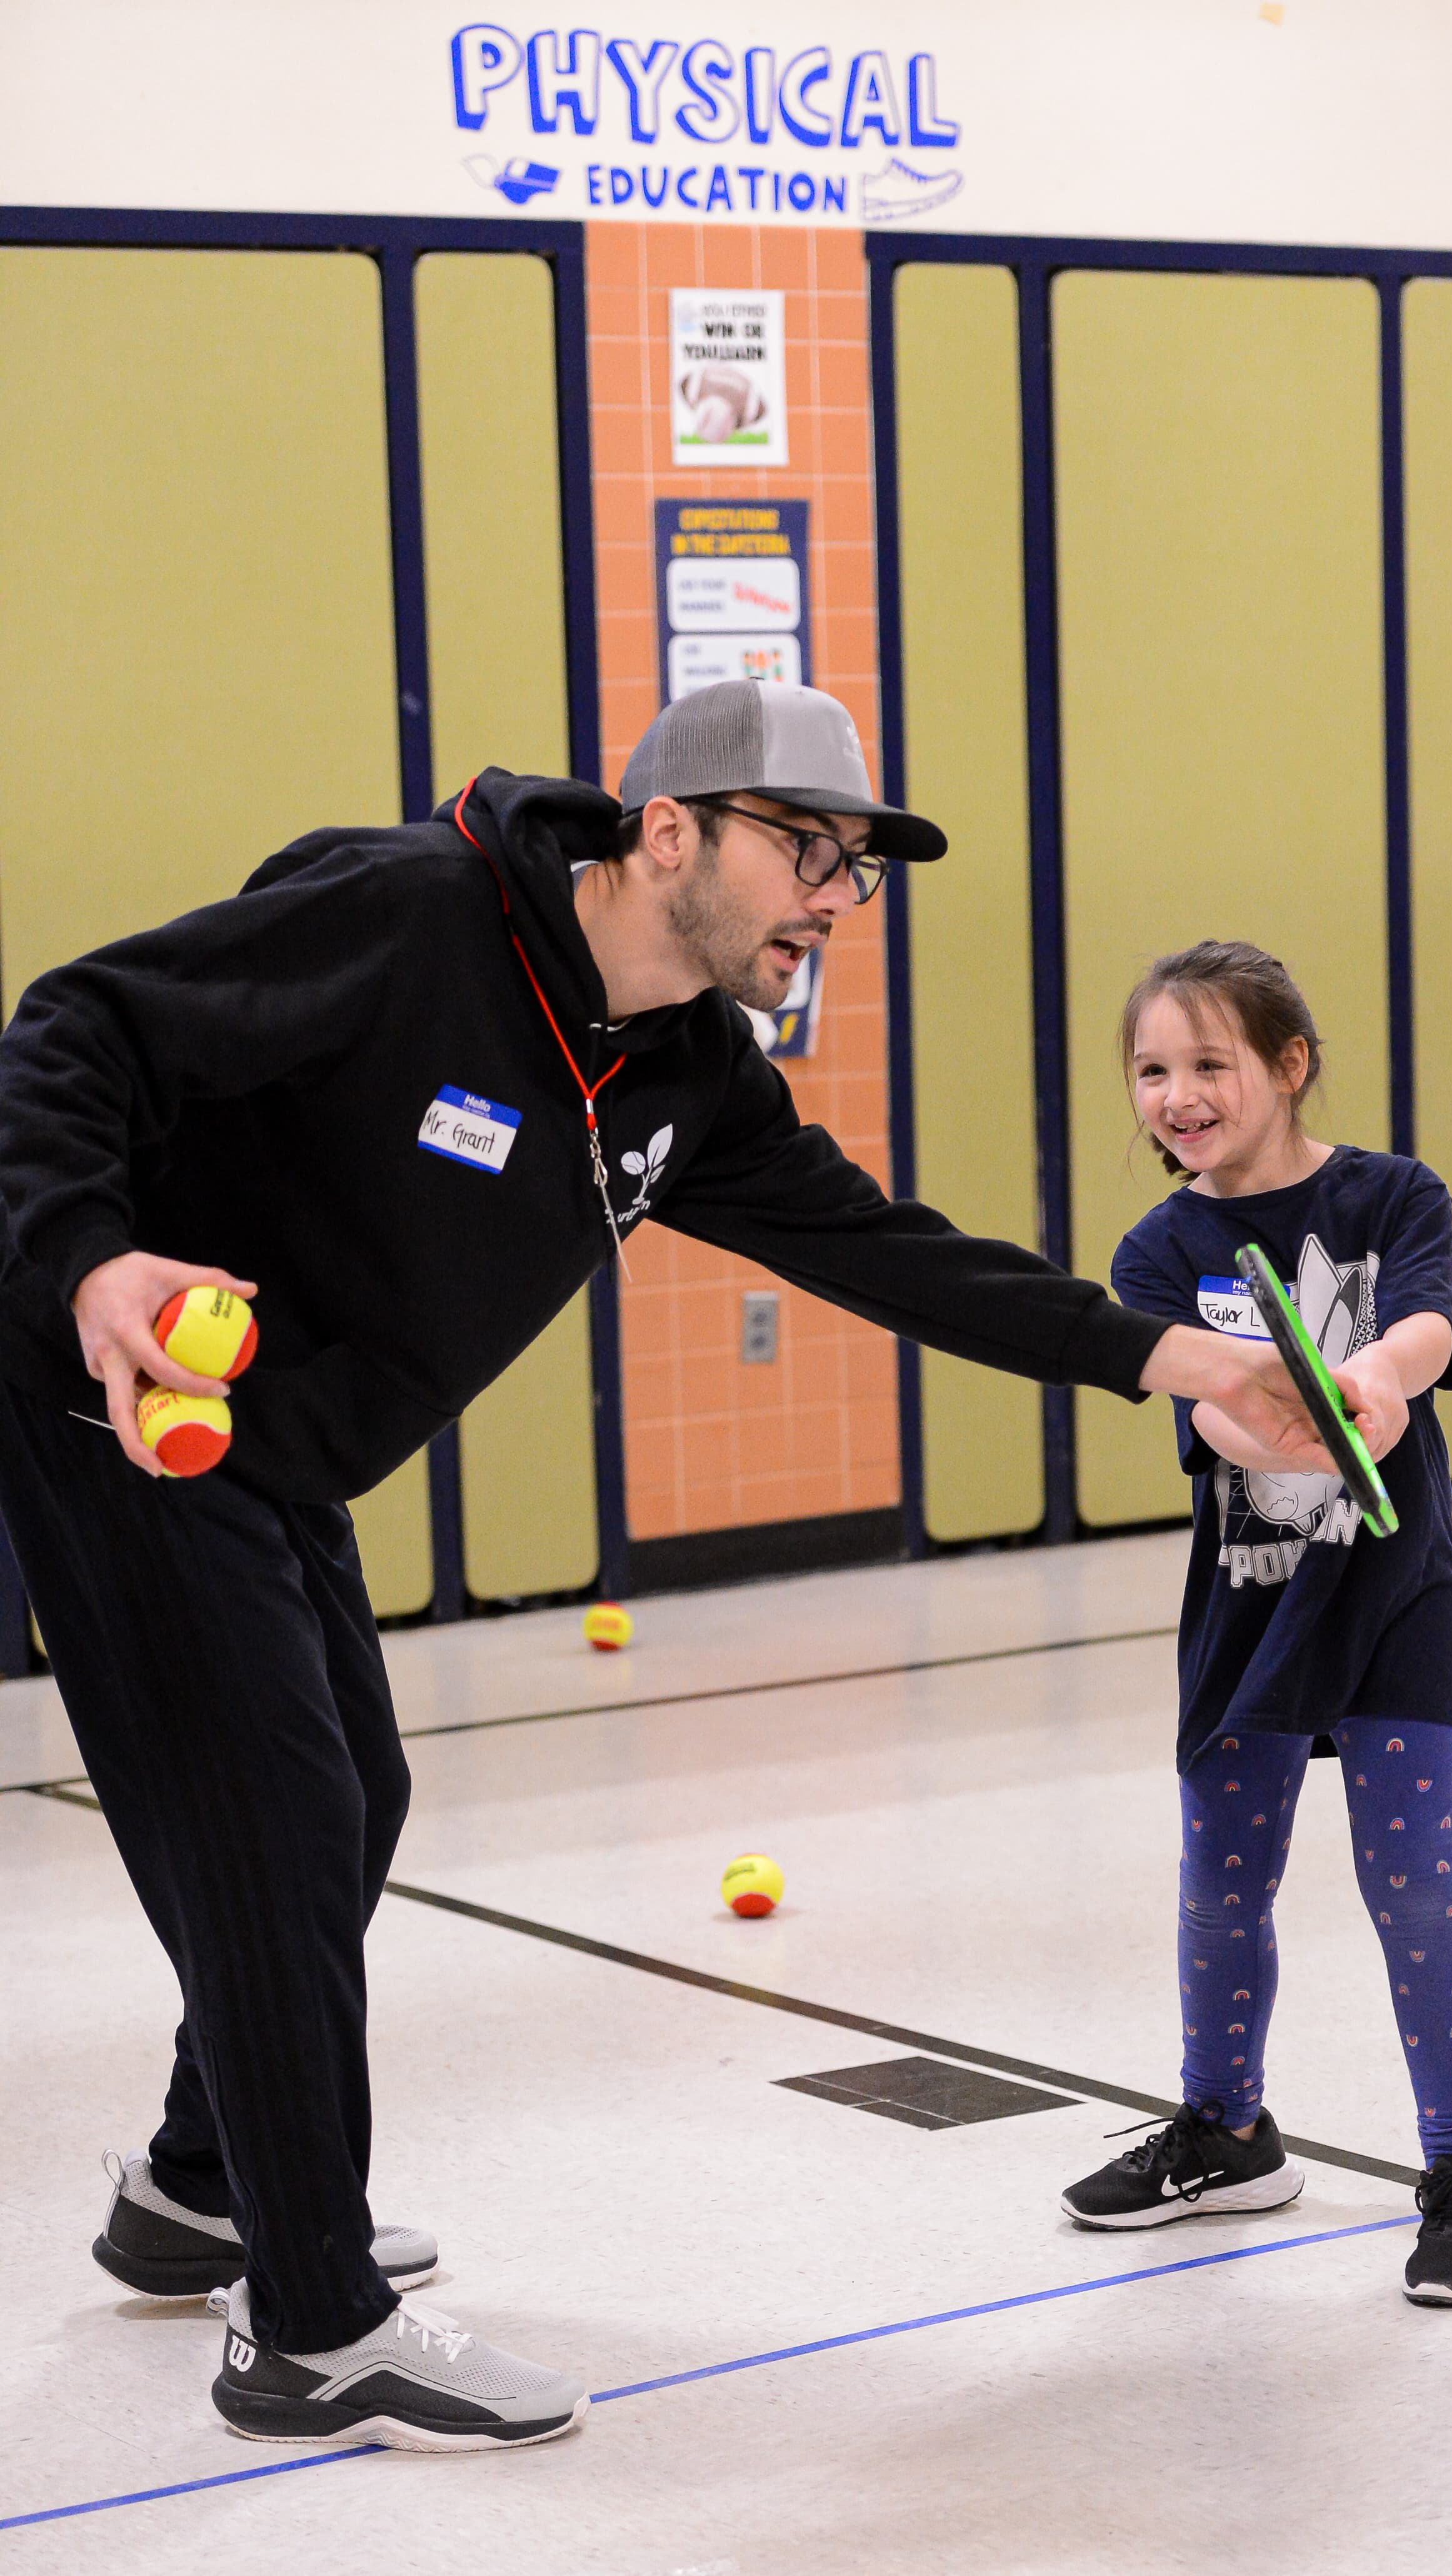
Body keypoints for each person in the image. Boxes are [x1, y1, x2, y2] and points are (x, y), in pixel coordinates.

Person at [0, 681, 1349, 2452]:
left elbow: (889, 1253)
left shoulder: (688, 1074)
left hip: (283, 1452)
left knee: (358, 1797)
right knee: (275, 1819)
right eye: (806, 852)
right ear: (666, 833)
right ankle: (309, 2326)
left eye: (855, 872)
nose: (832, 902)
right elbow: (71, 1033)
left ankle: (199, 2187)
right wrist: (92, 1259)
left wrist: (1180, 1360)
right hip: (133, 1397)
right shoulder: (410, 919)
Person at [1057, 940, 1452, 2305]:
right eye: (1152, 1069)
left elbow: (1429, 1325)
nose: (1178, 1094)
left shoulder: (1391, 1194)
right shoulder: (1162, 1246)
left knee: (1411, 1880)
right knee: (1222, 1881)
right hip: (1246, 1599)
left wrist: (1372, 1379)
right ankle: (1227, 2129)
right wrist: (1267, 1420)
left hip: (1390, 1593)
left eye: (1210, 1063)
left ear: (1287, 1064)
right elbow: (1196, 1409)